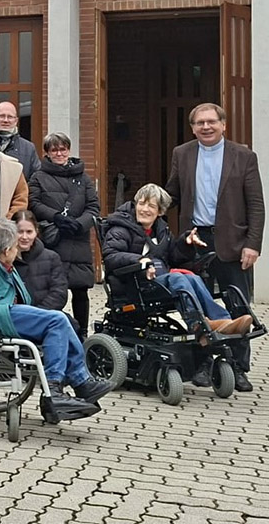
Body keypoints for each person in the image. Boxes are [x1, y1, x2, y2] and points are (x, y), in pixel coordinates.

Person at [0, 218, 114, 423]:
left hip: (3, 310)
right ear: (5, 250)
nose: (17, 250)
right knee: (56, 321)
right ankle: (55, 389)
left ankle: (81, 382)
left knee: (62, 321)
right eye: (14, 246)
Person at [165, 102, 264, 392]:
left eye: (211, 122)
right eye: (199, 123)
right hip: (195, 242)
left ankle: (238, 367)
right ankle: (204, 364)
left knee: (238, 305)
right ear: (192, 127)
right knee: (196, 305)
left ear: (223, 124)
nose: (205, 127)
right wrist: (144, 207)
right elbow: (173, 193)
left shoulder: (243, 156)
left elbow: (256, 205)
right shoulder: (182, 154)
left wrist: (253, 245)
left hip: (233, 244)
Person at [101, 184, 253, 342]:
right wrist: (140, 261)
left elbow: (172, 256)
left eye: (151, 206)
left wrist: (186, 243)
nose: (144, 209)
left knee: (193, 278)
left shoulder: (161, 230)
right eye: (141, 203)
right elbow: (111, 256)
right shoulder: (121, 229)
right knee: (178, 279)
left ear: (160, 212)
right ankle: (197, 325)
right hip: (133, 286)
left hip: (157, 281)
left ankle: (224, 322)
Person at [28, 132, 100, 339]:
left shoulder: (83, 177)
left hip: (78, 239)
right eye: (54, 150)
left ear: (69, 150)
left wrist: (80, 224)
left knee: (80, 290)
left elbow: (94, 206)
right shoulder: (38, 177)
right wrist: (56, 217)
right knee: (51, 289)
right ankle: (54, 330)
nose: (59, 153)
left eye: (63, 149)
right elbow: (34, 203)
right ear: (48, 153)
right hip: (53, 238)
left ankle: (83, 334)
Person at [13, 211, 68, 311]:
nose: (24, 237)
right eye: (20, 232)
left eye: (29, 232)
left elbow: (59, 293)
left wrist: (38, 315)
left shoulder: (52, 258)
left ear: (36, 232)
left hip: (46, 315)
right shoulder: (4, 260)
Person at [0, 101, 39, 181]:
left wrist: (24, 193)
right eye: (2, 116)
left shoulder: (28, 148)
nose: (6, 120)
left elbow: (36, 179)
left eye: (10, 117)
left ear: (16, 121)